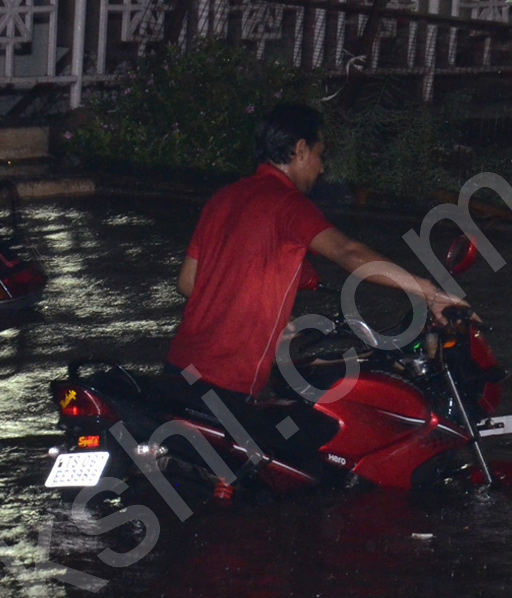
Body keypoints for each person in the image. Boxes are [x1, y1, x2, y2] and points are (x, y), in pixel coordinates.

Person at [164, 102, 471, 476]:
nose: (322, 167)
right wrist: (428, 291)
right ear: (299, 150)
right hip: (226, 387)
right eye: (320, 155)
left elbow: (189, 283)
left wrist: (271, 307)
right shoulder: (287, 203)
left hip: (179, 374)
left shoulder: (222, 198)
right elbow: (348, 251)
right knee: (323, 456)